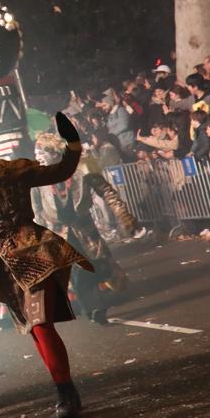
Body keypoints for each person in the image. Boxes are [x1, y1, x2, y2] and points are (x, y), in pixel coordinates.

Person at [0, 114, 94, 418]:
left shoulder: (16, 172)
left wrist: (73, 145)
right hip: (1, 265)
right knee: (32, 328)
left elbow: (61, 171)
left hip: (31, 252)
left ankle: (65, 392)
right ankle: (64, 389)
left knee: (41, 323)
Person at [32, 132, 131, 325]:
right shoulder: (37, 178)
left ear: (55, 153)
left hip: (84, 229)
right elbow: (36, 211)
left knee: (97, 265)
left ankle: (100, 299)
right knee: (78, 272)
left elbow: (106, 191)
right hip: (57, 233)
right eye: (36, 153)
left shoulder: (82, 170)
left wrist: (123, 213)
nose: (38, 157)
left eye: (42, 152)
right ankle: (95, 308)